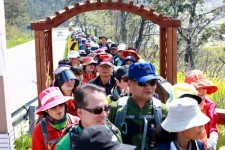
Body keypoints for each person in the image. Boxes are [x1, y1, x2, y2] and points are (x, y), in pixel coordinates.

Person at [108, 62, 168, 150]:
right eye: (142, 83)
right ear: (129, 83)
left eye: (153, 82)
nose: (149, 87)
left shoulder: (163, 111)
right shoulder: (115, 109)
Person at [55, 84, 122, 150]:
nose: (104, 115)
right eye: (97, 110)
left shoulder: (114, 132)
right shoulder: (65, 146)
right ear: (80, 113)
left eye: (107, 108)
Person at [184, 70, 219, 149]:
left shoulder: (209, 104)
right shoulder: (184, 106)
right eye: (197, 88)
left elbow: (213, 126)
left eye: (204, 87)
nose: (202, 91)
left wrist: (214, 136)